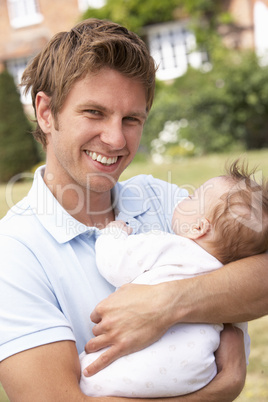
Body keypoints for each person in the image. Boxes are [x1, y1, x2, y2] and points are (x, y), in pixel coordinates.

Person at [0, 18, 265, 401]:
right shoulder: (12, 255)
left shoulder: (165, 201)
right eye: (94, 112)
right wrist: (221, 388)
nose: (115, 138)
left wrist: (167, 304)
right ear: (45, 112)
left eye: (131, 119)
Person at [80, 160, 268, 397]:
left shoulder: (169, 246)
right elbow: (236, 337)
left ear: (198, 227)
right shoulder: (229, 273)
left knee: (86, 376)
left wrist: (113, 233)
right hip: (196, 375)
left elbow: (113, 263)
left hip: (131, 371)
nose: (184, 196)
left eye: (192, 197)